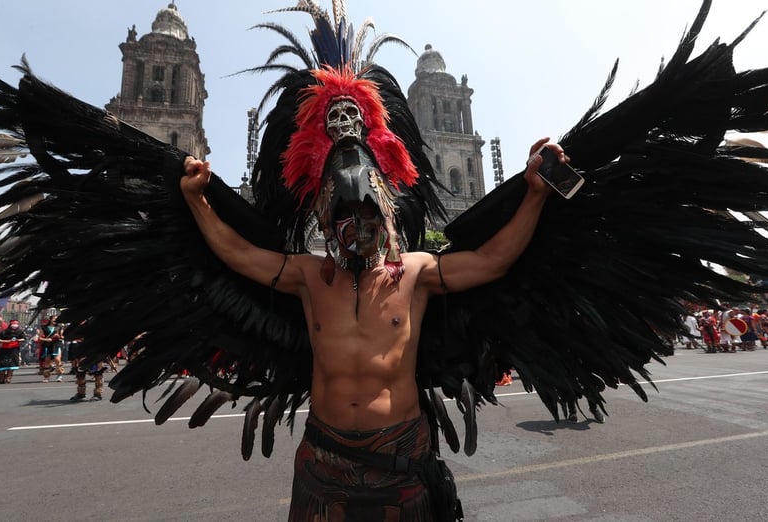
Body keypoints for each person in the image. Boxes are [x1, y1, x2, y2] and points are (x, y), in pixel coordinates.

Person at [182, 134, 558, 519]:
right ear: (327, 219)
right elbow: (237, 253)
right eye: (345, 212)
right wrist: (197, 199)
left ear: (385, 212)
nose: (358, 222)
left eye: (366, 209)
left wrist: (535, 194)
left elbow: (492, 261)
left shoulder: (417, 273)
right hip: (324, 461)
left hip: (401, 457)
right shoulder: (307, 276)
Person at [0, 319, 26, 383]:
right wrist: (6, 341)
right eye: (13, 324)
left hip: (14, 350)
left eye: (16, 324)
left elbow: (24, 339)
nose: (15, 325)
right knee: (2, 364)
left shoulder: (20, 332)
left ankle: (9, 377)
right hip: (4, 350)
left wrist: (18, 340)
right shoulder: (4, 332)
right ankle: (1, 377)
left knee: (12, 364)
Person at [38, 315, 64, 383]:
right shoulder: (44, 327)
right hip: (48, 345)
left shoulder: (59, 327)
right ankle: (46, 377)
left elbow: (62, 337)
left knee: (57, 360)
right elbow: (40, 338)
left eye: (56, 319)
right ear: (50, 319)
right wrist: (46, 339)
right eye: (54, 319)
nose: (55, 320)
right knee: (47, 361)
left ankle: (59, 375)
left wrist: (58, 336)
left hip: (57, 344)